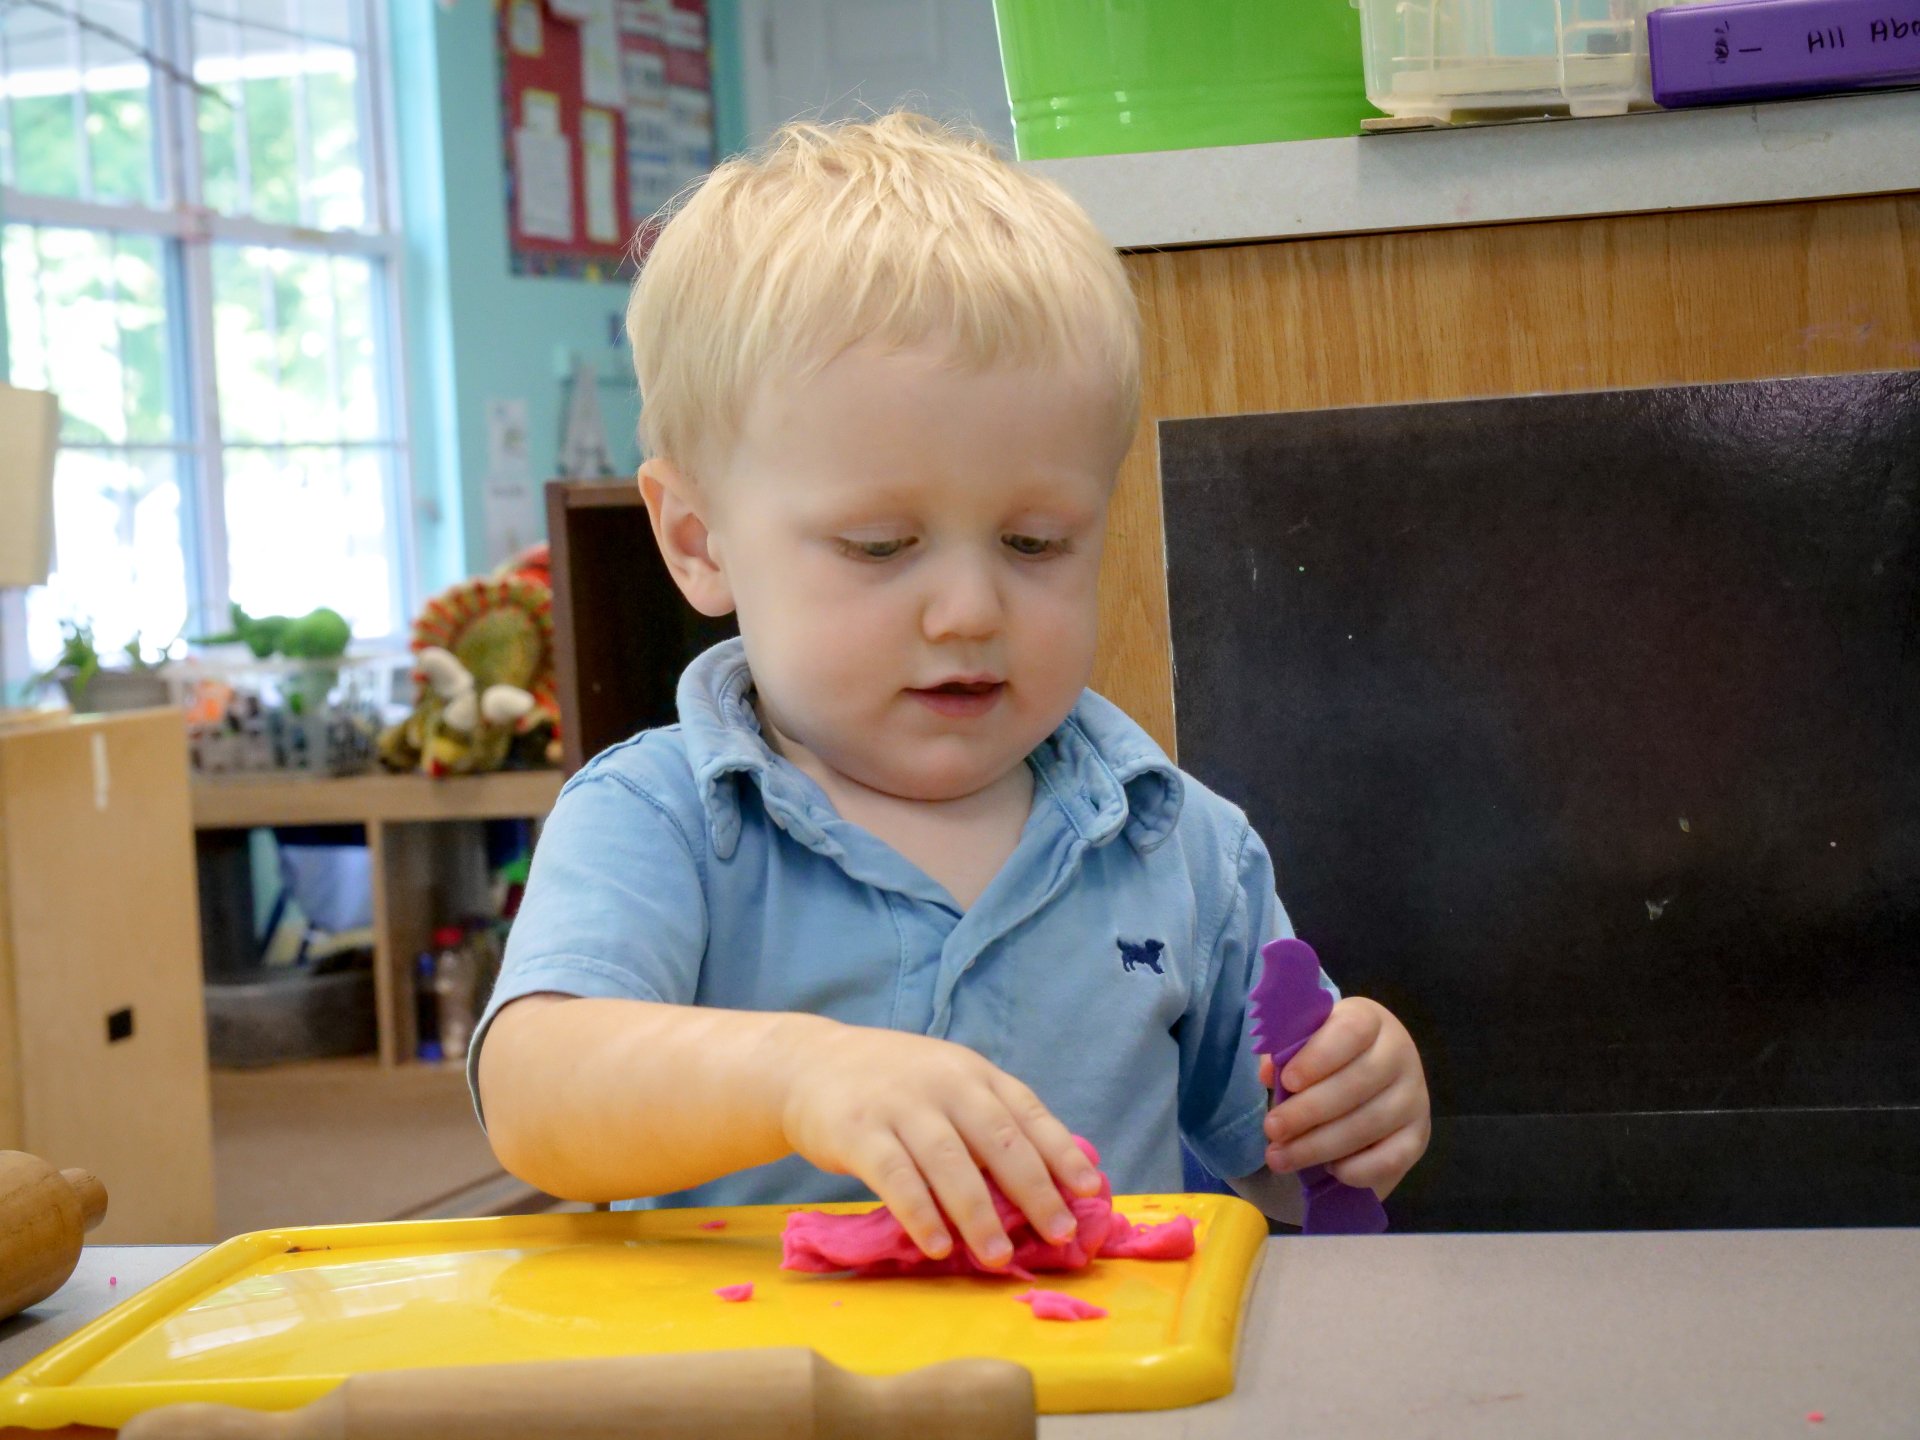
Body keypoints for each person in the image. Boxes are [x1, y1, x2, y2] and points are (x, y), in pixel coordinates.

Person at [473, 114, 1429, 1268]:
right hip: (757, 1368)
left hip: (1096, 1365)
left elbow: (1285, 1175)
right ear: (698, 540)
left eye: (1035, 543)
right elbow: (532, 1096)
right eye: (881, 546)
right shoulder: (661, 820)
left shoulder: (1184, 850)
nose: (970, 610)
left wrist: (1353, 1112)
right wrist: (797, 1074)